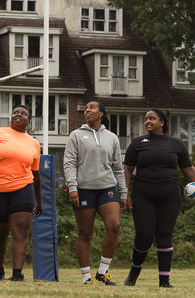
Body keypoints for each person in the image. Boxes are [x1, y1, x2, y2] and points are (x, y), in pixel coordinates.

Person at [122, 108, 195, 288]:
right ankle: (133, 275)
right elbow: (127, 169)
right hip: (143, 195)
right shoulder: (137, 143)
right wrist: (125, 194)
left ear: (162, 122)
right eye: (146, 119)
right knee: (144, 235)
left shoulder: (176, 144)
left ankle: (164, 281)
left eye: (152, 118)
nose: (147, 121)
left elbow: (189, 169)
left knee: (165, 235)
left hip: (169, 196)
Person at [64, 100, 128, 285]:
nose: (87, 111)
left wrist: (123, 193)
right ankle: (86, 278)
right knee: (85, 234)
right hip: (84, 190)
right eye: (85, 109)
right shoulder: (76, 135)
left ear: (101, 114)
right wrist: (73, 188)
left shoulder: (112, 138)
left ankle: (102, 271)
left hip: (107, 189)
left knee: (114, 226)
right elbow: (69, 163)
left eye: (91, 108)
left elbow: (118, 168)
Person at [0, 103, 43, 282]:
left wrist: (39, 200)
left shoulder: (34, 143)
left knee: (21, 230)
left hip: (23, 188)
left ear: (29, 120)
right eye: (15, 112)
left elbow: (36, 175)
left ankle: (17, 274)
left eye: (23, 113)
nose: (18, 115)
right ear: (10, 117)